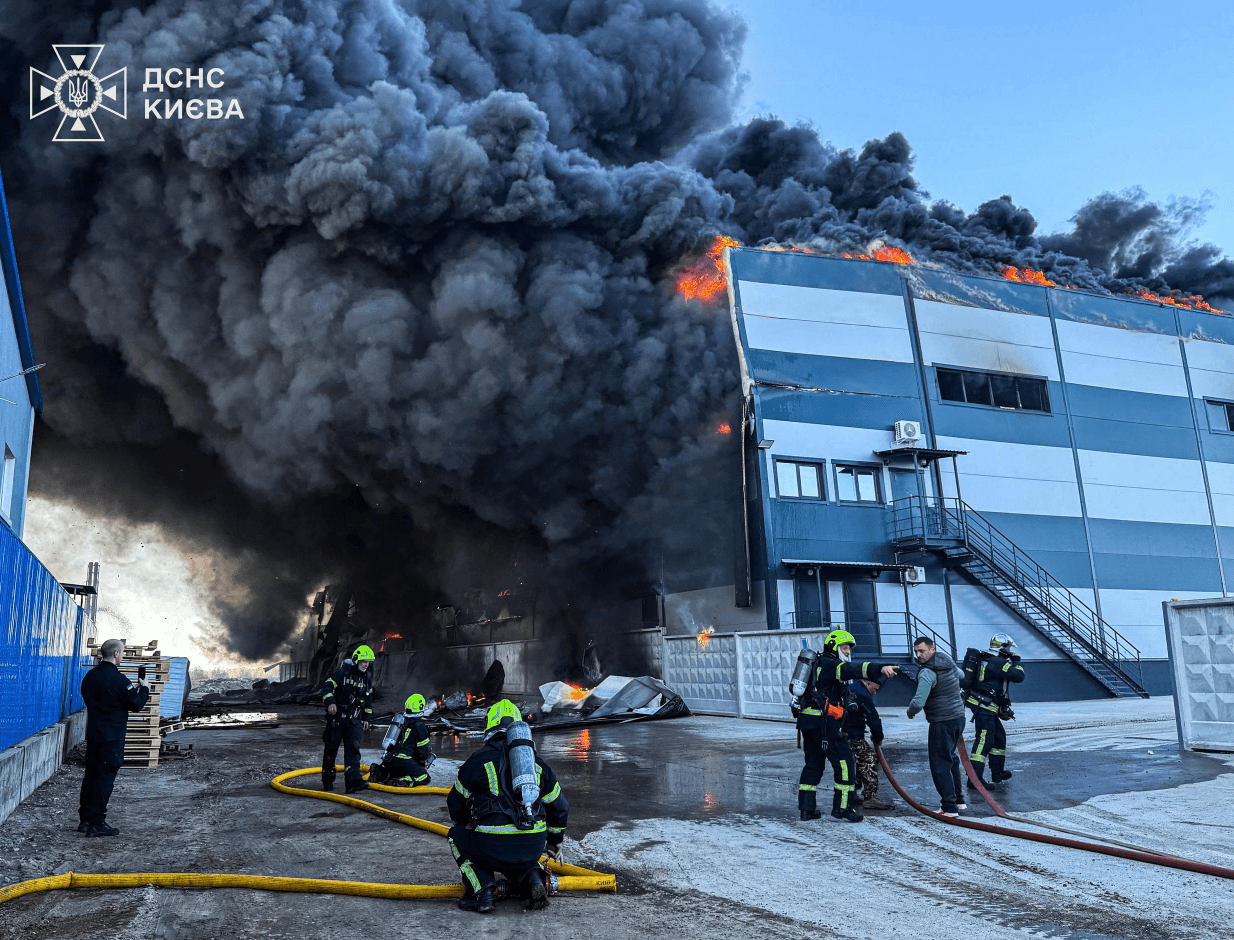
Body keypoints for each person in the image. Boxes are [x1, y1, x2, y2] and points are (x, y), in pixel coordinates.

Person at [447, 700, 569, 913]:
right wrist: (555, 841)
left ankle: (482, 891)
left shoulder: (477, 761)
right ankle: (532, 878)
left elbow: (454, 804)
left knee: (456, 836)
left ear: (489, 726)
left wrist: (467, 823)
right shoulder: (536, 765)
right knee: (519, 851)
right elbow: (560, 806)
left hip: (491, 845)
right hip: (533, 846)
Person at [809, 629, 899, 823]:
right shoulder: (833, 666)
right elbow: (854, 669)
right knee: (849, 764)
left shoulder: (820, 665)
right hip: (833, 728)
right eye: (845, 647)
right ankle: (848, 806)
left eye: (849, 648)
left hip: (814, 724)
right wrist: (880, 667)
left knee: (813, 767)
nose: (848, 652)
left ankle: (806, 809)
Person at [78, 639, 150, 837]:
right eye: (123, 652)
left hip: (93, 734)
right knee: (105, 777)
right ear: (117, 654)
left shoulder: (90, 677)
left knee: (91, 775)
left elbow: (88, 697)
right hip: (112, 738)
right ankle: (97, 822)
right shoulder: (120, 680)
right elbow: (135, 704)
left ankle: (85, 820)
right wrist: (144, 689)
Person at [906, 636, 967, 816]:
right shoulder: (947, 662)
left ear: (932, 650)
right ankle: (959, 800)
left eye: (922, 651)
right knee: (951, 758)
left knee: (940, 763)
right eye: (916, 651)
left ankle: (949, 807)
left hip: (942, 720)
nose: (918, 655)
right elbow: (961, 675)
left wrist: (910, 713)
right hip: (958, 718)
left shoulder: (927, 672)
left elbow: (919, 701)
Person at [964, 633, 1026, 788]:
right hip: (984, 706)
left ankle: (997, 772)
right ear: (1004, 647)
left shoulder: (985, 657)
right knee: (984, 740)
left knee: (998, 738)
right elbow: (1018, 676)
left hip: (982, 703)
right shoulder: (999, 662)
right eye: (1009, 648)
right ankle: (975, 779)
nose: (1010, 650)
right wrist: (1017, 661)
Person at [321, 644, 375, 794]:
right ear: (356, 659)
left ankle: (352, 783)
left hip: (355, 720)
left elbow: (368, 698)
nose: (366, 664)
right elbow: (326, 688)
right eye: (364, 661)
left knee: (353, 751)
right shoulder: (342, 673)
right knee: (331, 751)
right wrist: (331, 702)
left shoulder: (367, 677)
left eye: (369, 662)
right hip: (337, 720)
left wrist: (366, 718)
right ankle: (328, 782)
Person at [845, 678, 891, 811]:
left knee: (855, 762)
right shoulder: (864, 695)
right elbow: (874, 719)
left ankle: (852, 793)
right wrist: (878, 737)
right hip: (853, 735)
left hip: (842, 733)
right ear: (867, 683)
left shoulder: (851, 687)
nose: (875, 693)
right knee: (869, 760)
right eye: (874, 689)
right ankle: (870, 797)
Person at [371, 694, 435, 787]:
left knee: (401, 770)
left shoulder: (401, 720)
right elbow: (423, 751)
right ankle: (403, 781)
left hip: (391, 759)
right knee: (425, 777)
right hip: (403, 760)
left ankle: (380, 773)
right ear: (420, 707)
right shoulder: (419, 725)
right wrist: (422, 764)